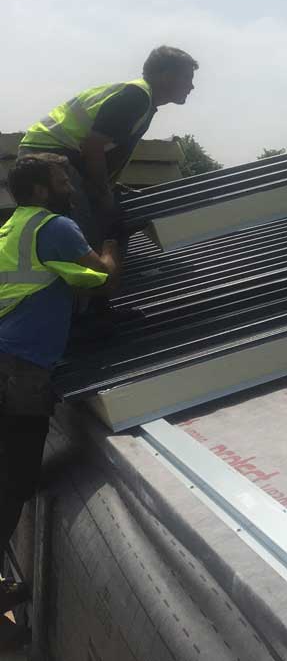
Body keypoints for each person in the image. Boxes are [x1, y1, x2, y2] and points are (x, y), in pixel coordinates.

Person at [0, 154, 118, 632]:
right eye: (61, 179)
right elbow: (104, 277)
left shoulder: (12, 229)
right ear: (41, 191)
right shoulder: (55, 227)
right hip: (20, 372)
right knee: (13, 481)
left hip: (6, 361)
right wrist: (112, 244)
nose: (69, 186)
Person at [17, 46, 198, 248]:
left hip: (57, 152)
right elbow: (92, 146)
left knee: (95, 222)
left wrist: (107, 186)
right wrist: (103, 192)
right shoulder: (136, 98)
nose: (191, 86)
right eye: (187, 78)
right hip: (48, 153)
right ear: (166, 76)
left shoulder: (142, 99)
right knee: (85, 232)